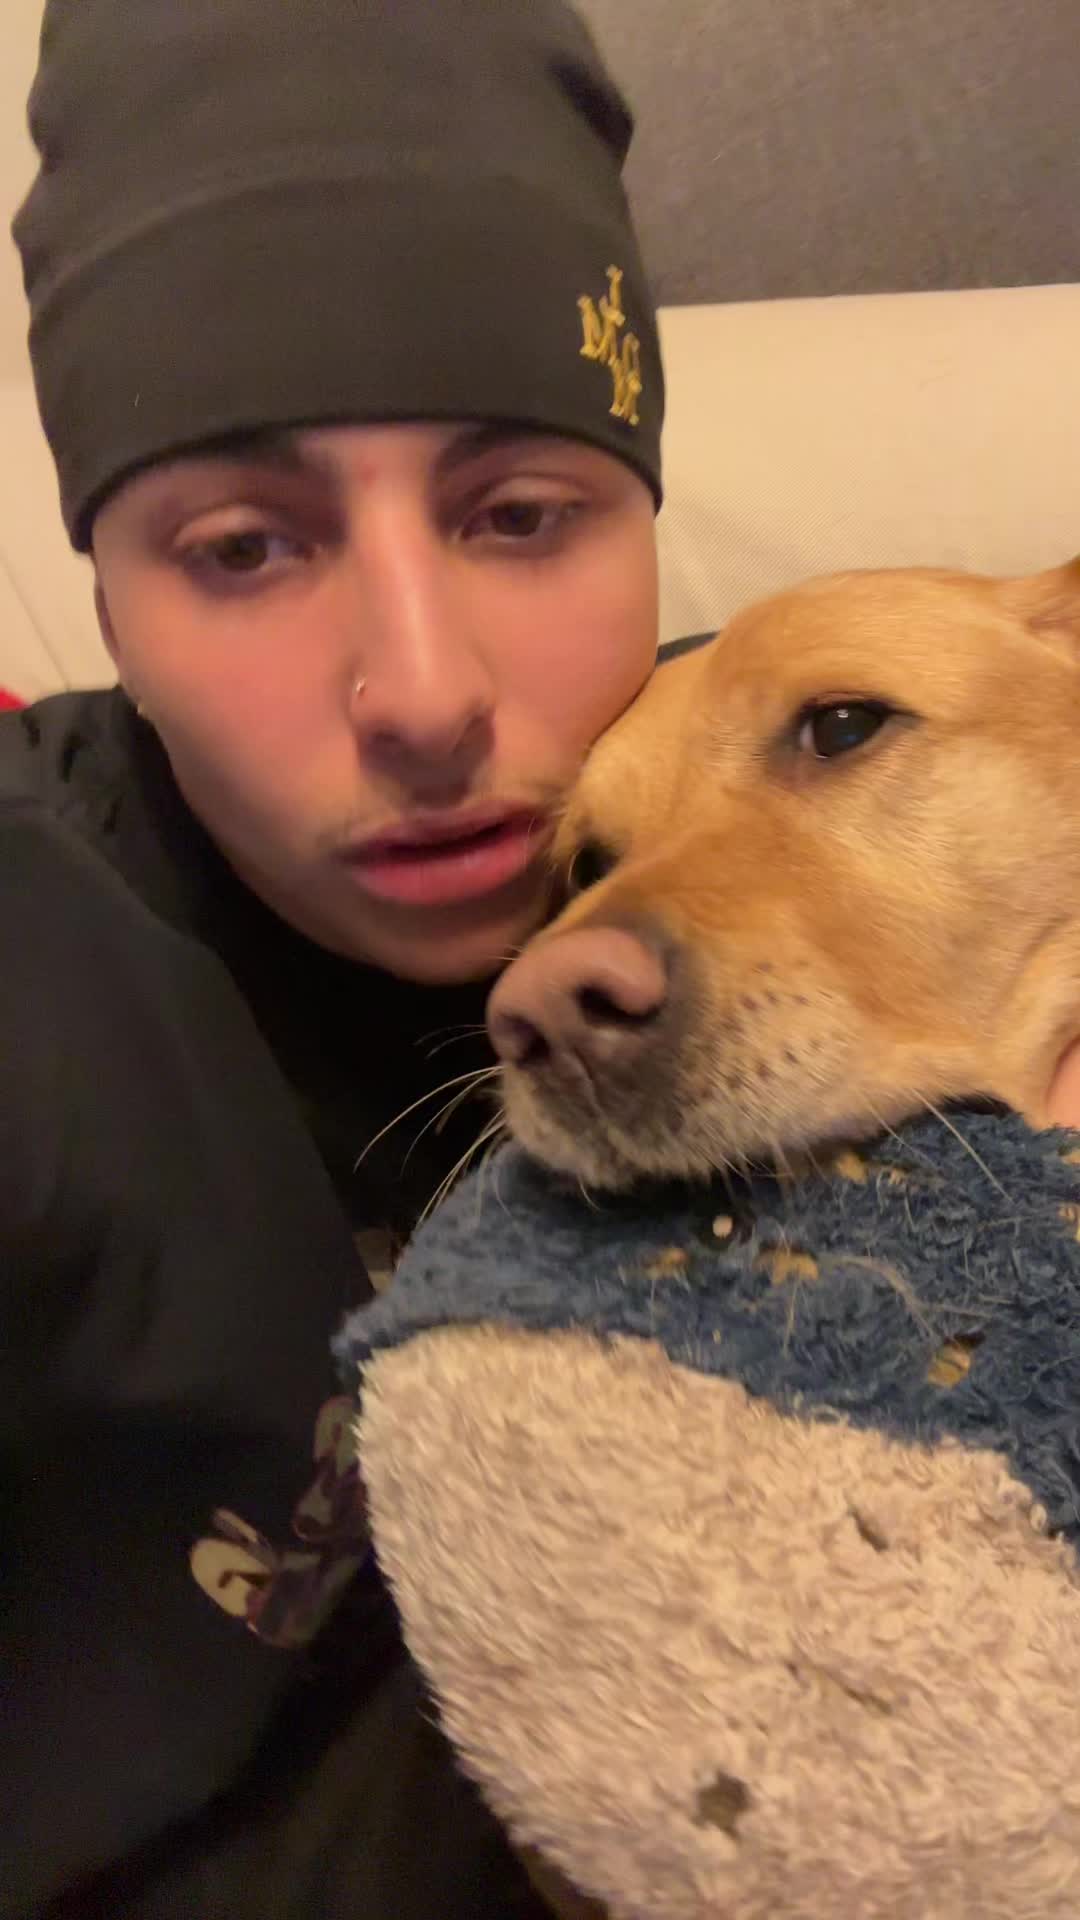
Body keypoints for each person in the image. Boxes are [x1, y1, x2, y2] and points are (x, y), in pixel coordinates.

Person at [1, 2, 664, 1914]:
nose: (426, 696)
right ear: (106, 597)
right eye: (243, 548)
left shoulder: (806, 792)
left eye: (520, 515)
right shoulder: (52, 956)